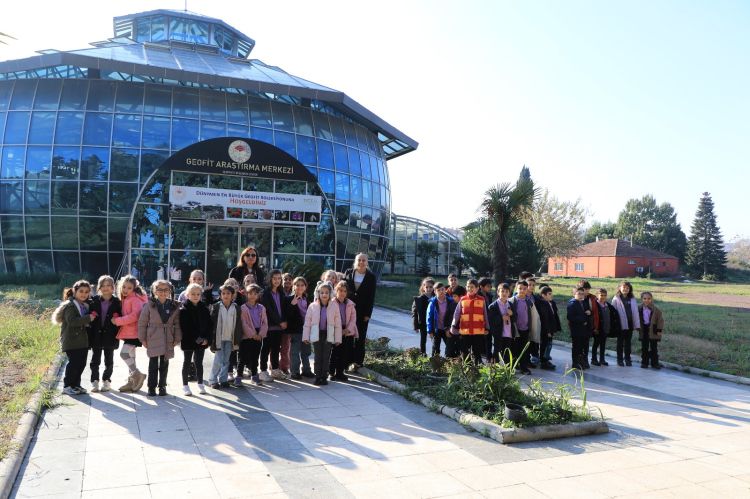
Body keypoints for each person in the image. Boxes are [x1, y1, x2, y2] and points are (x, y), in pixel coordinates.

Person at [138, 280, 182, 397]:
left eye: (165, 290)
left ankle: (162, 386)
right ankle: (151, 387)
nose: (163, 292)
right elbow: (142, 323)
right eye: (160, 290)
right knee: (153, 364)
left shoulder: (173, 306)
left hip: (168, 337)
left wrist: (177, 338)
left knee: (164, 364)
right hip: (153, 337)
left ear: (170, 291)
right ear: (155, 291)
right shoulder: (149, 306)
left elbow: (177, 324)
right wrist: (143, 339)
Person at [52, 281, 96, 395]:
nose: (84, 294)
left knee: (81, 364)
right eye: (81, 291)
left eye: (86, 292)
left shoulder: (84, 305)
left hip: (82, 341)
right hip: (72, 340)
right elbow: (71, 321)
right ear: (74, 292)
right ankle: (67, 386)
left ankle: (76, 385)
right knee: (73, 364)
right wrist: (88, 318)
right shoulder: (70, 306)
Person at [112, 275, 148, 393]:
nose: (125, 290)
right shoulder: (126, 298)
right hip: (130, 332)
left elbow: (135, 316)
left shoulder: (135, 299)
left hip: (135, 332)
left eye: (129, 288)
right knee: (131, 358)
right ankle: (131, 382)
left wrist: (118, 321)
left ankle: (138, 375)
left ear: (134, 288)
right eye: (124, 287)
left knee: (124, 353)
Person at [302, 282, 342, 386]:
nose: (324, 295)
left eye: (326, 293)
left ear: (330, 294)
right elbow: (307, 322)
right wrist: (306, 336)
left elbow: (338, 324)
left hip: (328, 334)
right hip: (317, 334)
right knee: (318, 356)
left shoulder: (334, 307)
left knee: (326, 356)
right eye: (322, 292)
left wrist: (337, 338)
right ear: (318, 293)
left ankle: (324, 376)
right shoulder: (312, 306)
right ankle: (318, 376)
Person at [87, 275, 121, 393]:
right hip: (96, 334)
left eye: (108, 285)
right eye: (103, 286)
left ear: (112, 287)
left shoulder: (117, 302)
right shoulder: (94, 300)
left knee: (109, 360)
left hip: (110, 334)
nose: (105, 288)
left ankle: (106, 380)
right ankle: (94, 381)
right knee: (95, 360)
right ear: (99, 287)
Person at [344, 253, 377, 368]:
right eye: (359, 260)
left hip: (363, 311)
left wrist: (368, 313)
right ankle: (347, 360)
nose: (361, 262)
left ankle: (358, 360)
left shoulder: (371, 277)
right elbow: (342, 289)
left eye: (363, 260)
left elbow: (371, 296)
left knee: (360, 336)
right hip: (348, 310)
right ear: (355, 261)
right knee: (348, 336)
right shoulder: (348, 272)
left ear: (367, 263)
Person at [179, 283, 211, 395]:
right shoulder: (184, 310)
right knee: (187, 362)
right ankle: (185, 385)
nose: (195, 296)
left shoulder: (205, 309)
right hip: (189, 341)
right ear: (187, 295)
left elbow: (209, 325)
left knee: (199, 363)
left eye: (198, 294)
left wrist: (206, 338)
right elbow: (185, 327)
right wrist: (197, 338)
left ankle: (200, 384)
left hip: (202, 341)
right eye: (193, 294)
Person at [209, 285, 243, 389]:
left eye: (228, 293)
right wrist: (211, 339)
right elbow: (211, 324)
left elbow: (238, 325)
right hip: (219, 338)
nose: (225, 295)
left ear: (233, 295)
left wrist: (237, 340)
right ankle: (213, 380)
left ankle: (223, 379)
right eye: (223, 293)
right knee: (218, 360)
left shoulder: (236, 308)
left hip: (229, 338)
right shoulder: (216, 307)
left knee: (226, 360)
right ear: (220, 295)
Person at [451, 279, 489, 366]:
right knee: (465, 352)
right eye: (468, 286)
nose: (470, 289)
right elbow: (457, 313)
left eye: (472, 287)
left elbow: (485, 314)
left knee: (477, 352)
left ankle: (476, 368)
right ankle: (467, 369)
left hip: (478, 331)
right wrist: (453, 325)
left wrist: (487, 327)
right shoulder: (463, 299)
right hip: (465, 330)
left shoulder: (482, 300)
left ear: (477, 288)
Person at [260, 269, 288, 381]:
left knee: (276, 348)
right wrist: (279, 321)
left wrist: (285, 321)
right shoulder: (265, 293)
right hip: (269, 326)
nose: (277, 280)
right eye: (274, 278)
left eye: (279, 278)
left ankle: (275, 369)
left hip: (279, 327)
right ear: (270, 279)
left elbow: (284, 308)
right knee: (266, 349)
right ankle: (263, 371)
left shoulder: (281, 293)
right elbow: (268, 309)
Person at [238, 284, 268, 386]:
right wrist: (252, 334)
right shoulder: (243, 308)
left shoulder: (261, 308)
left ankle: (254, 375)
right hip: (247, 336)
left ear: (258, 295)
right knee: (243, 356)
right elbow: (243, 323)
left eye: (255, 294)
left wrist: (260, 334)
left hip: (258, 335)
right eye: (250, 293)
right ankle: (239, 376)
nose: (253, 296)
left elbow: (264, 322)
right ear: (246, 294)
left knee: (255, 356)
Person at [285, 278, 314, 381]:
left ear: (305, 287)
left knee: (306, 351)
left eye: (302, 285)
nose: (299, 287)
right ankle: (295, 371)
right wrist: (292, 305)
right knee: (295, 351)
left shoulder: (306, 299)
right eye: (297, 285)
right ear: (293, 286)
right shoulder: (289, 299)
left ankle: (306, 369)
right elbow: (287, 314)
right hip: (296, 329)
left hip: (306, 328)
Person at [331, 282, 358, 381]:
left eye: (345, 291)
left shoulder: (350, 304)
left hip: (347, 331)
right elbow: (330, 317)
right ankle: (331, 372)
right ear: (336, 291)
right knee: (334, 352)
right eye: (340, 290)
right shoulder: (332, 303)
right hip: (335, 330)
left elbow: (353, 318)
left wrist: (348, 329)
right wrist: (338, 330)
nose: (342, 293)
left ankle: (340, 372)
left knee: (343, 353)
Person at [508, 280, 536, 375]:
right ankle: (512, 367)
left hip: (525, 329)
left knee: (523, 349)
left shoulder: (529, 302)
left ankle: (523, 366)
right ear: (516, 289)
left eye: (524, 289)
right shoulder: (511, 301)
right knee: (514, 348)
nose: (522, 291)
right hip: (514, 329)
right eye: (520, 288)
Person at [611, 280, 640, 366]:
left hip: (630, 323)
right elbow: (613, 312)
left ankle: (628, 359)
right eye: (624, 287)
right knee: (620, 342)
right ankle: (619, 359)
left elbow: (635, 312)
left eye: (628, 288)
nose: (626, 289)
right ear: (619, 288)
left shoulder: (632, 299)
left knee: (628, 342)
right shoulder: (616, 299)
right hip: (620, 324)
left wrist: (637, 324)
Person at [594, 288, 621, 367]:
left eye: (605, 295)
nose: (603, 297)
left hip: (606, 328)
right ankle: (594, 359)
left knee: (603, 344)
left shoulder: (609, 306)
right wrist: (595, 328)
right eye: (601, 295)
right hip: (598, 329)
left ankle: (602, 359)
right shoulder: (595, 305)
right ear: (597, 295)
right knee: (596, 344)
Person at [487, 283, 513, 365]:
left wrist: (512, 314)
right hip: (498, 332)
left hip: (508, 332)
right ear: (498, 292)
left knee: (507, 351)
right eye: (502, 291)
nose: (504, 293)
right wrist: (501, 319)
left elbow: (515, 318)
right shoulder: (493, 306)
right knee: (497, 351)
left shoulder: (510, 304)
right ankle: (495, 367)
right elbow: (491, 320)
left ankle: (506, 368)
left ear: (509, 293)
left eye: (506, 291)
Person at [536, 286, 561, 370]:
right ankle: (543, 362)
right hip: (545, 330)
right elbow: (545, 319)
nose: (551, 295)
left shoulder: (550, 303)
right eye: (549, 294)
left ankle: (546, 360)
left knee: (548, 345)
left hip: (550, 329)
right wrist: (548, 331)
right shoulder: (543, 305)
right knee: (545, 345)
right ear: (543, 295)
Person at [426, 282, 453, 357]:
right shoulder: (433, 303)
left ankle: (449, 360)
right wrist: (430, 331)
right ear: (435, 292)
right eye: (438, 290)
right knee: (436, 347)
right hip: (437, 329)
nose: (441, 291)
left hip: (447, 329)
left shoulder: (450, 301)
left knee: (450, 346)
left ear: (445, 290)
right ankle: (435, 361)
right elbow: (429, 318)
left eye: (442, 289)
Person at [638, 292, 664, 369]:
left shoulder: (657, 309)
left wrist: (659, 330)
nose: (647, 300)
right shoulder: (639, 308)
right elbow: (636, 318)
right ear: (641, 299)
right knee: (644, 347)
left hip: (653, 330)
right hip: (644, 329)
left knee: (654, 348)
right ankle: (644, 362)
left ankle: (654, 363)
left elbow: (660, 320)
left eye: (649, 298)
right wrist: (637, 326)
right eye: (645, 298)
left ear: (651, 299)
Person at [567, 287, 591, 370]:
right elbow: (570, 316)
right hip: (576, 329)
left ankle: (581, 361)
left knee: (582, 346)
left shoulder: (583, 303)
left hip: (584, 329)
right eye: (579, 294)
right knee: (576, 346)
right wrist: (581, 320)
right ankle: (575, 362)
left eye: (582, 294)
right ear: (574, 294)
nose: (581, 296)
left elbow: (586, 312)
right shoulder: (572, 304)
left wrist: (589, 313)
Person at [411, 277, 435, 356]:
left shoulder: (436, 298)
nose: (429, 289)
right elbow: (414, 314)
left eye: (431, 287)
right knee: (423, 339)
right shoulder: (419, 299)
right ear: (423, 288)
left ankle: (435, 355)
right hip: (423, 322)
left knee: (435, 340)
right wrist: (415, 326)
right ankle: (423, 354)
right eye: (427, 287)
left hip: (434, 322)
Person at [279, 273, 294, 375]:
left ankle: (284, 367)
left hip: (288, 324)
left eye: (289, 279)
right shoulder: (278, 293)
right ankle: (274, 366)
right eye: (285, 279)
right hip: (277, 322)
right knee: (274, 347)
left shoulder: (294, 294)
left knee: (285, 347)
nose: (287, 281)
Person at [445, 286, 465, 358]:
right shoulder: (451, 305)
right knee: (449, 351)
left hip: (461, 333)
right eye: (452, 296)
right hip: (451, 332)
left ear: (461, 297)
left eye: (455, 296)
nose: (453, 298)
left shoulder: (465, 307)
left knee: (460, 352)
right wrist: (446, 329)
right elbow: (446, 318)